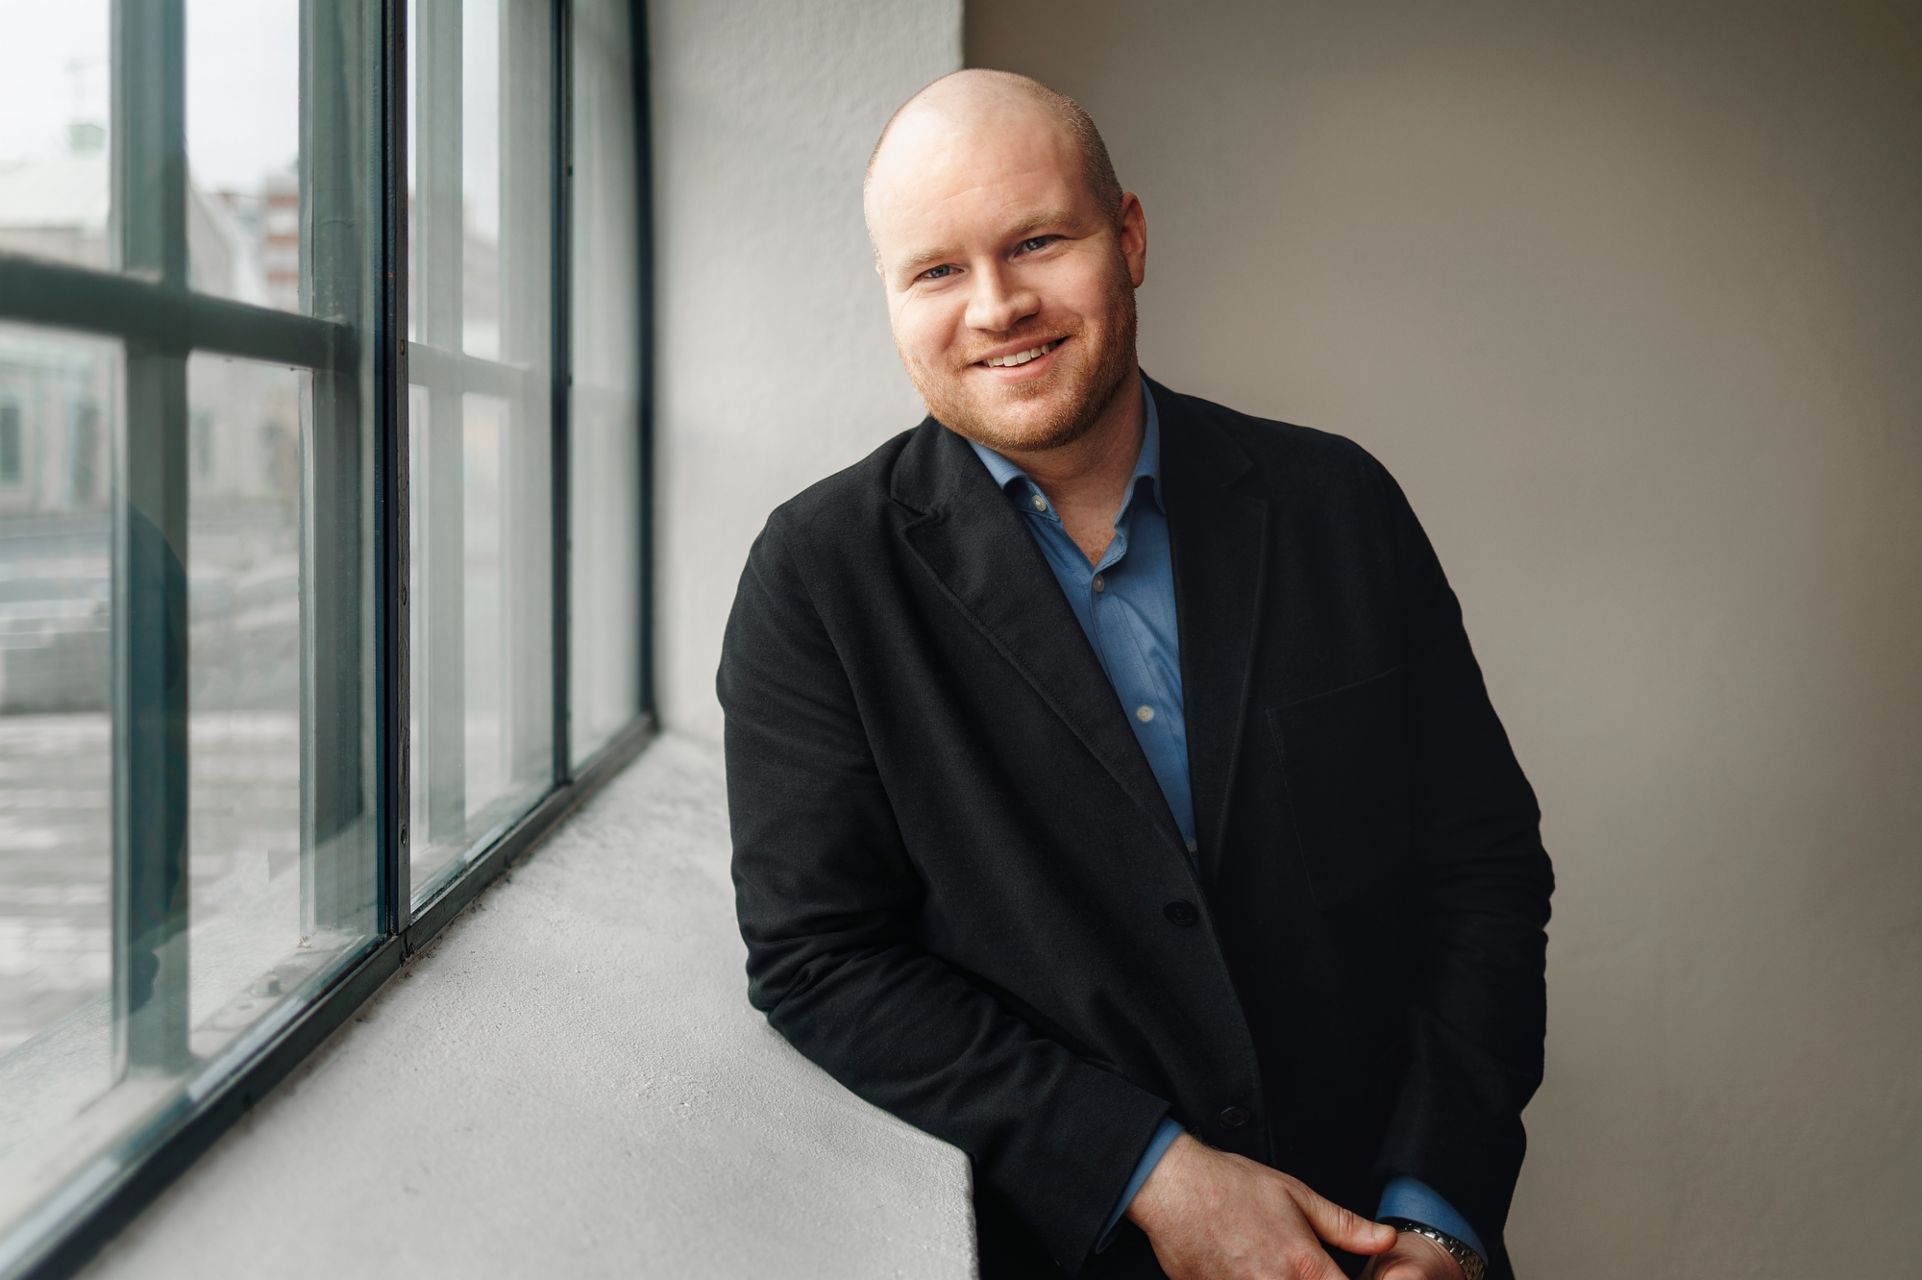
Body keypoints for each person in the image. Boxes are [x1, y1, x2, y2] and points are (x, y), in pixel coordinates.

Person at [718, 68, 1553, 1280]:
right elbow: (818, 956)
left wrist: (1436, 1210)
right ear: (891, 298)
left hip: (1390, 1241)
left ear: (1130, 237)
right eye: (936, 270)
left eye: (1037, 241)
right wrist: (1147, 1167)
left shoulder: (1338, 507)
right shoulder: (816, 576)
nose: (996, 305)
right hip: (1080, 1252)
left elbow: (1481, 872)